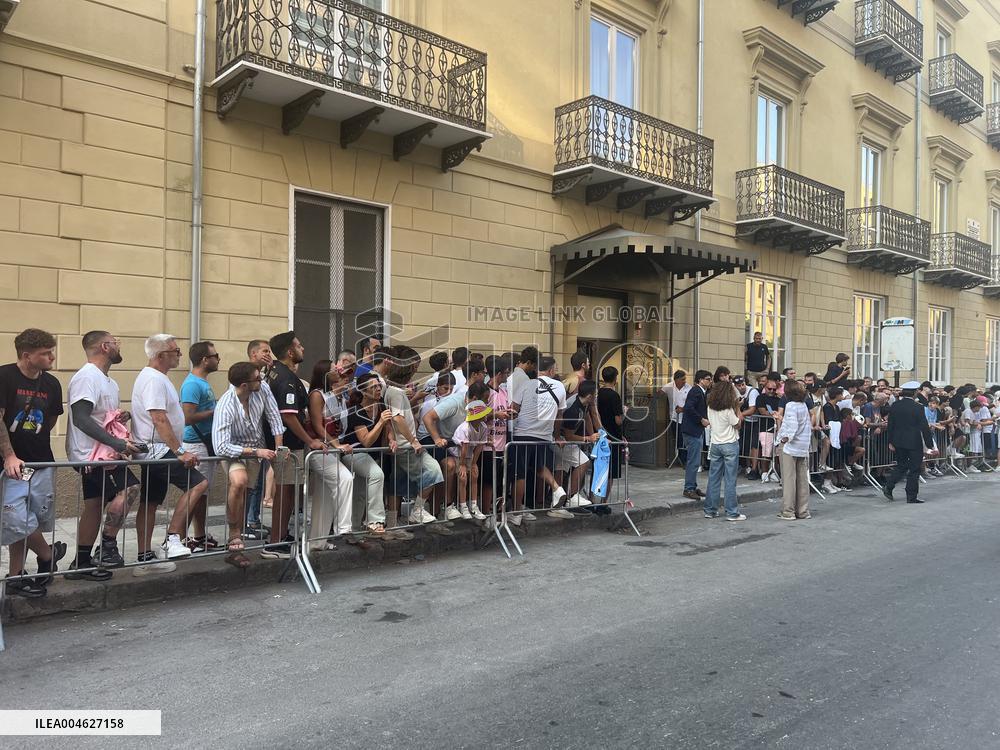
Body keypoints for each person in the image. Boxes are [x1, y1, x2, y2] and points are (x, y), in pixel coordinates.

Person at [65, 331, 148, 580]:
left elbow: (99, 417)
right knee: (130, 489)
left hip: (104, 453)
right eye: (116, 343)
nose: (119, 346)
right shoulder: (86, 377)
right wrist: (117, 444)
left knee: (94, 505)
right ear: (104, 346)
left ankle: (81, 562)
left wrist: (119, 418)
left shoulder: (108, 382)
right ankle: (107, 547)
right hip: (92, 456)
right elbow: (80, 418)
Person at [265, 331, 353, 556]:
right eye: (299, 345)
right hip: (288, 444)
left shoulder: (276, 372)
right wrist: (310, 440)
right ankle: (276, 542)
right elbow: (289, 415)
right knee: (285, 492)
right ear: (289, 351)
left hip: (288, 444)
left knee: (290, 491)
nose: (303, 348)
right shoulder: (285, 378)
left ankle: (284, 536)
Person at [131, 334, 209, 563]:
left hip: (153, 449)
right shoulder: (154, 379)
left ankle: (144, 552)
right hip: (158, 450)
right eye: (176, 351)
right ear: (161, 355)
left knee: (150, 501)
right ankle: (173, 537)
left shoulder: (154, 377)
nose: (180, 355)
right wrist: (179, 451)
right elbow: (159, 418)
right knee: (198, 482)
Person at [0, 329, 64, 598]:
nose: (52, 356)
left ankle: (16, 576)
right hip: (11, 464)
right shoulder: (4, 377)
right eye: (45, 353)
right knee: (15, 516)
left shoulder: (51, 384)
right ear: (27, 356)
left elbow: (50, 421)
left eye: (52, 350)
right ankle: (48, 555)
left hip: (41, 461)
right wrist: (9, 455)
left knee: (32, 518)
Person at [211, 361, 284, 568]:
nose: (262, 380)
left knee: (245, 494)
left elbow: (273, 417)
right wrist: (255, 452)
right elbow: (221, 446)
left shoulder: (262, 389)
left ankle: (237, 542)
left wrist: (279, 447)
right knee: (239, 482)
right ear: (244, 384)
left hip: (255, 449)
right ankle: (234, 537)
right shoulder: (226, 404)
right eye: (257, 378)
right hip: (234, 451)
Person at [382, 347, 444, 526]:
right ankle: (417, 510)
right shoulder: (395, 392)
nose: (416, 370)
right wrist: (414, 440)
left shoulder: (392, 390)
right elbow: (398, 418)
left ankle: (393, 522)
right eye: (415, 366)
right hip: (406, 446)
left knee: (397, 483)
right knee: (433, 471)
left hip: (401, 445)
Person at [343, 373, 404, 538]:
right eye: (374, 387)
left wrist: (391, 440)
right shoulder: (355, 411)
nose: (378, 389)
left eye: (379, 386)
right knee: (377, 475)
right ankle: (375, 521)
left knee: (360, 493)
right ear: (363, 391)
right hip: (355, 452)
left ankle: (354, 532)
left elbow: (389, 429)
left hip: (371, 455)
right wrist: (380, 422)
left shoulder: (381, 407)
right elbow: (366, 441)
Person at [179, 340, 219, 552]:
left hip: (204, 444)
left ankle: (199, 536)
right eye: (215, 356)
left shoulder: (201, 383)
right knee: (194, 493)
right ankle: (181, 538)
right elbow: (187, 417)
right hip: (196, 444)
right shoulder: (193, 384)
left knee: (201, 494)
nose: (218, 359)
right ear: (205, 360)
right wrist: (215, 411)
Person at [243, 339, 278, 539]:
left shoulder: (266, 375)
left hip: (261, 437)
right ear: (253, 354)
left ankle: (253, 519)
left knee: (257, 482)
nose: (268, 354)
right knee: (248, 483)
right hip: (246, 442)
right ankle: (246, 521)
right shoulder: (246, 373)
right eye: (265, 351)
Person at [883, 380, 935, 504]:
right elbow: (924, 426)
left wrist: (890, 441)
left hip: (898, 441)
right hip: (913, 441)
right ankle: (911, 496)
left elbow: (891, 424)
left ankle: (889, 486)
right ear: (915, 393)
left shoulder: (895, 405)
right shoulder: (918, 407)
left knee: (901, 465)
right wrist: (929, 444)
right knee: (914, 469)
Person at [703, 380, 746, 521]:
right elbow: (738, 424)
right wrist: (738, 408)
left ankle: (710, 510)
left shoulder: (710, 407)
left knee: (713, 478)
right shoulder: (728, 410)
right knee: (730, 479)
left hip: (715, 443)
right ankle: (732, 512)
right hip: (729, 443)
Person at [557, 380, 598, 508]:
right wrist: (588, 438)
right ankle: (572, 496)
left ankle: (557, 500)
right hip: (562, 440)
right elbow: (568, 436)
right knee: (583, 462)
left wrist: (594, 435)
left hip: (565, 439)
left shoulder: (583, 403)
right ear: (590, 396)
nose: (597, 397)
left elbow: (587, 417)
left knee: (561, 468)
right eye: (595, 394)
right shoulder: (573, 409)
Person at [450, 400, 492, 520]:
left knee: (474, 476)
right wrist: (462, 465)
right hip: (458, 455)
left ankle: (474, 506)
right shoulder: (465, 428)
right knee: (462, 479)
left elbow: (479, 446)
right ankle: (463, 506)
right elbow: (464, 447)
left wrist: (473, 464)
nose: (485, 416)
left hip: (470, 455)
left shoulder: (483, 427)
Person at [775, 380, 812, 520]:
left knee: (789, 479)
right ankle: (803, 511)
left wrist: (784, 438)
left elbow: (791, 426)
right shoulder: (803, 405)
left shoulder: (790, 406)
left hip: (790, 446)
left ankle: (788, 511)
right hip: (802, 445)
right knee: (802, 479)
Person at [680, 370, 712, 500]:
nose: (710, 381)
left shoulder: (700, 392)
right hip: (693, 431)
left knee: (695, 460)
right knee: (693, 461)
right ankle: (689, 488)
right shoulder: (696, 391)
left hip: (695, 430)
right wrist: (701, 419)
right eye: (708, 379)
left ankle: (692, 486)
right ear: (700, 380)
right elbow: (688, 408)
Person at [597, 366, 625, 501]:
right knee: (610, 473)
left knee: (600, 470)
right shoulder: (614, 396)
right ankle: (603, 502)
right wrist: (624, 412)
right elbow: (618, 420)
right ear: (615, 378)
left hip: (600, 435)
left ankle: (593, 499)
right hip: (613, 437)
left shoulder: (598, 393)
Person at [663, 370, 691, 465]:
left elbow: (691, 403)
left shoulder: (689, 388)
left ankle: (685, 460)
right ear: (676, 380)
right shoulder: (668, 387)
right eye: (682, 379)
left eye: (685, 379)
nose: (684, 381)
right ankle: (681, 459)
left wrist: (683, 409)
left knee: (684, 440)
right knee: (678, 440)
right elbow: (659, 395)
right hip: (674, 419)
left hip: (685, 419)